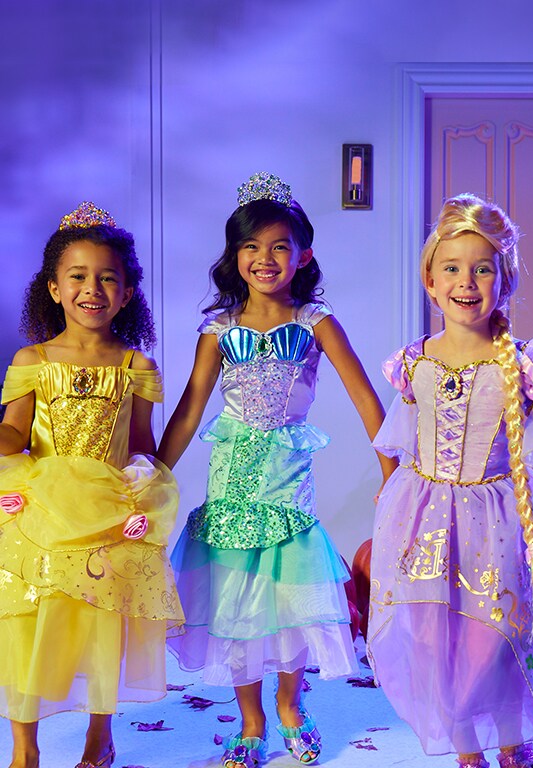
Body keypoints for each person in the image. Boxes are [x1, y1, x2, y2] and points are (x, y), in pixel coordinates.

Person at [366, 193, 533, 768]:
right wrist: (390, 501)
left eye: (483, 268)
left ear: (504, 280)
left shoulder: (525, 362)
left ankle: (512, 742)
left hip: (499, 524)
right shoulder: (413, 363)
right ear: (431, 282)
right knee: (437, 641)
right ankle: (468, 751)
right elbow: (402, 443)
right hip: (424, 522)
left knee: (495, 641)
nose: (467, 281)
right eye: (453, 268)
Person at [158, 172, 396, 768]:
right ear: (234, 256)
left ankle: (291, 705)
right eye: (251, 248)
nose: (265, 259)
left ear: (303, 254)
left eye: (279, 246)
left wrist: (393, 471)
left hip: (287, 472)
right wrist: (157, 468)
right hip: (232, 471)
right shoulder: (218, 328)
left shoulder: (315, 321)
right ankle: (251, 719)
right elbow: (190, 405)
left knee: (288, 592)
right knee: (236, 593)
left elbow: (367, 398)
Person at [0, 202, 183, 768]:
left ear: (127, 293)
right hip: (44, 503)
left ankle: (98, 739)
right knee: (29, 619)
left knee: (105, 619)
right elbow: (13, 426)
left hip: (106, 506)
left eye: (108, 278)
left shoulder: (136, 366)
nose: (92, 289)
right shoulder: (32, 359)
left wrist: (145, 485)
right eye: (77, 276)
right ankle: (25, 748)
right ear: (53, 288)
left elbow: (141, 441)